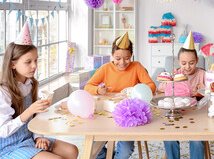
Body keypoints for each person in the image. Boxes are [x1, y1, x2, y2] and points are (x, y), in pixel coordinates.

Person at [0, 21, 78, 159]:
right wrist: (29, 111)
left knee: (72, 151)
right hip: (9, 147)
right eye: (28, 62)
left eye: (36, 60)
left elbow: (36, 117)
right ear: (13, 64)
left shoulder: (31, 84)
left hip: (29, 139)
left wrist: (38, 137)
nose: (34, 66)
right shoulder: (4, 91)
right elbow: (4, 131)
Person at [85, 32, 156, 159]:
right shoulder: (105, 68)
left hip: (129, 117)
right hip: (107, 115)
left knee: (125, 151)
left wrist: (136, 92)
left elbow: (151, 85)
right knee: (94, 148)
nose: (122, 62)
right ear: (112, 55)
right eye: (117, 58)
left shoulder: (137, 67)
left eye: (127, 58)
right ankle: (108, 155)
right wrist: (98, 90)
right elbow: (87, 86)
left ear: (132, 55)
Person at [157, 31, 205, 159]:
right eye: (183, 63)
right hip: (176, 113)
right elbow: (160, 88)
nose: (187, 67)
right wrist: (170, 81)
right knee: (169, 138)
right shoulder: (175, 75)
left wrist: (203, 90)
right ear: (178, 61)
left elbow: (212, 92)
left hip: (196, 115)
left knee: (196, 141)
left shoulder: (202, 74)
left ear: (197, 61)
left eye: (191, 62)